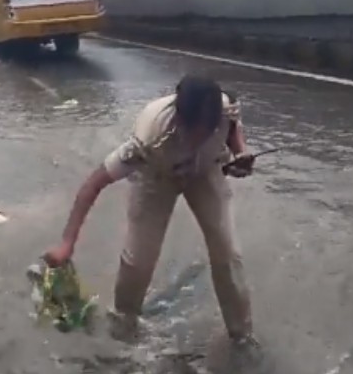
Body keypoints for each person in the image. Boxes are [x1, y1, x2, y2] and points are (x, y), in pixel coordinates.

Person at [43, 75, 255, 342]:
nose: (197, 141)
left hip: (205, 172)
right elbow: (93, 184)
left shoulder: (224, 109)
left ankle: (241, 335)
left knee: (228, 253)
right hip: (157, 176)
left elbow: (233, 125)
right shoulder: (147, 139)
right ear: (178, 120)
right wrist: (66, 243)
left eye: (207, 133)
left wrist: (240, 153)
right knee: (138, 261)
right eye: (192, 134)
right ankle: (124, 325)